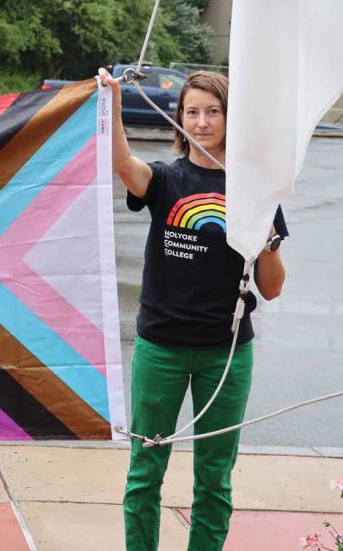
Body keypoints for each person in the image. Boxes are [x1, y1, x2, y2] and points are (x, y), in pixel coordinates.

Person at [99, 69, 287, 550]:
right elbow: (123, 162)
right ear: (178, 118)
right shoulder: (166, 180)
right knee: (145, 470)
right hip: (161, 347)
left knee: (215, 478)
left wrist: (267, 239)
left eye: (213, 111)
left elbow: (272, 287)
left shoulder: (255, 191)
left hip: (225, 355)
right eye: (192, 112)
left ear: (229, 117)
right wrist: (114, 101)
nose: (202, 122)